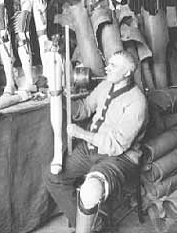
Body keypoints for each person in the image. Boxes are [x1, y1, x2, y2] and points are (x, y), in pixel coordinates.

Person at [43, 50, 148, 232]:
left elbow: (116, 145)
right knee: (53, 176)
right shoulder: (106, 85)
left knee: (90, 191)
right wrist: (58, 96)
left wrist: (82, 134)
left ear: (128, 72)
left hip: (120, 157)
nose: (107, 68)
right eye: (109, 63)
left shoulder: (137, 102)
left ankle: (84, 228)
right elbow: (84, 108)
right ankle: (94, 224)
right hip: (91, 149)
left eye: (113, 65)